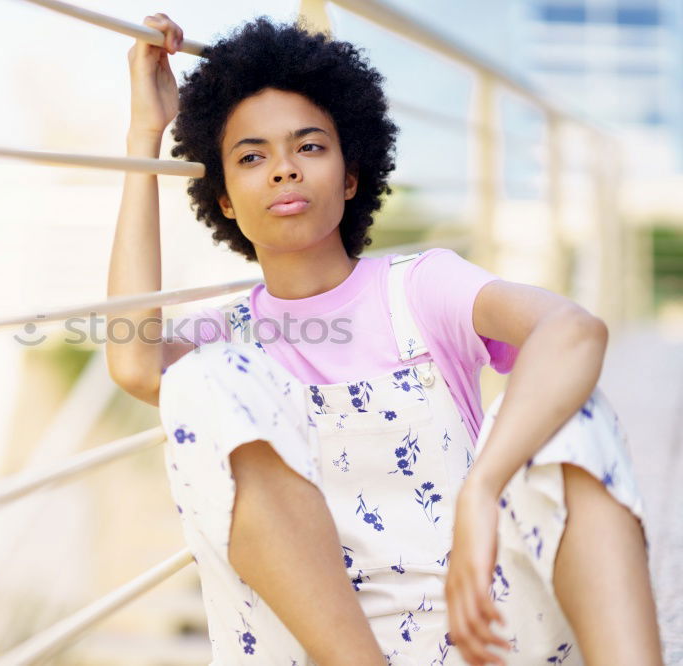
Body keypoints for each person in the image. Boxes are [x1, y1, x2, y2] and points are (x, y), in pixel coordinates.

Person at [105, 12, 663, 666]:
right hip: (325, 649)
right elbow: (134, 360)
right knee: (201, 379)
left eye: (309, 146)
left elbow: (573, 329)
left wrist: (483, 489)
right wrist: (145, 133)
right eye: (252, 157)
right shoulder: (226, 343)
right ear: (224, 198)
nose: (283, 169)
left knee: (568, 413)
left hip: (488, 629)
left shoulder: (420, 287)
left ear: (349, 176)